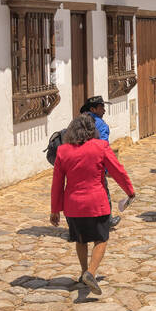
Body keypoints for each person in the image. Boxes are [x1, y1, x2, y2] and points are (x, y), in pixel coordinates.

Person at [51, 114, 136, 295]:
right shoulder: (100, 146)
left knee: (80, 239)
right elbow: (117, 171)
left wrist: (54, 210)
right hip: (97, 202)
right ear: (92, 130)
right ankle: (91, 272)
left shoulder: (63, 151)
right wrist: (130, 191)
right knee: (101, 238)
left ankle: (83, 272)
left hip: (73, 205)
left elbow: (57, 183)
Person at [80, 95, 120, 227]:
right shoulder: (101, 125)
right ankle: (107, 219)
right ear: (93, 108)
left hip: (78, 164)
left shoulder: (78, 121)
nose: (104, 110)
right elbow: (103, 148)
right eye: (101, 107)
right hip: (95, 165)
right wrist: (107, 169)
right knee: (103, 192)